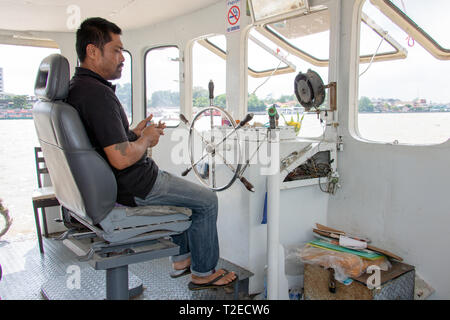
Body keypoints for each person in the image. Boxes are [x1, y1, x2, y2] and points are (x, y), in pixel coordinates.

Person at [66, 17, 236, 290]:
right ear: (92, 51)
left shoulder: (78, 90)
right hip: (135, 183)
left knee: (186, 196)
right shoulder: (97, 95)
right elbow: (121, 158)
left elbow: (103, 143)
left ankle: (181, 260)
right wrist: (144, 141)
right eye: (116, 50)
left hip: (119, 182)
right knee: (207, 200)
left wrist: (133, 134)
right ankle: (204, 273)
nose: (122, 58)